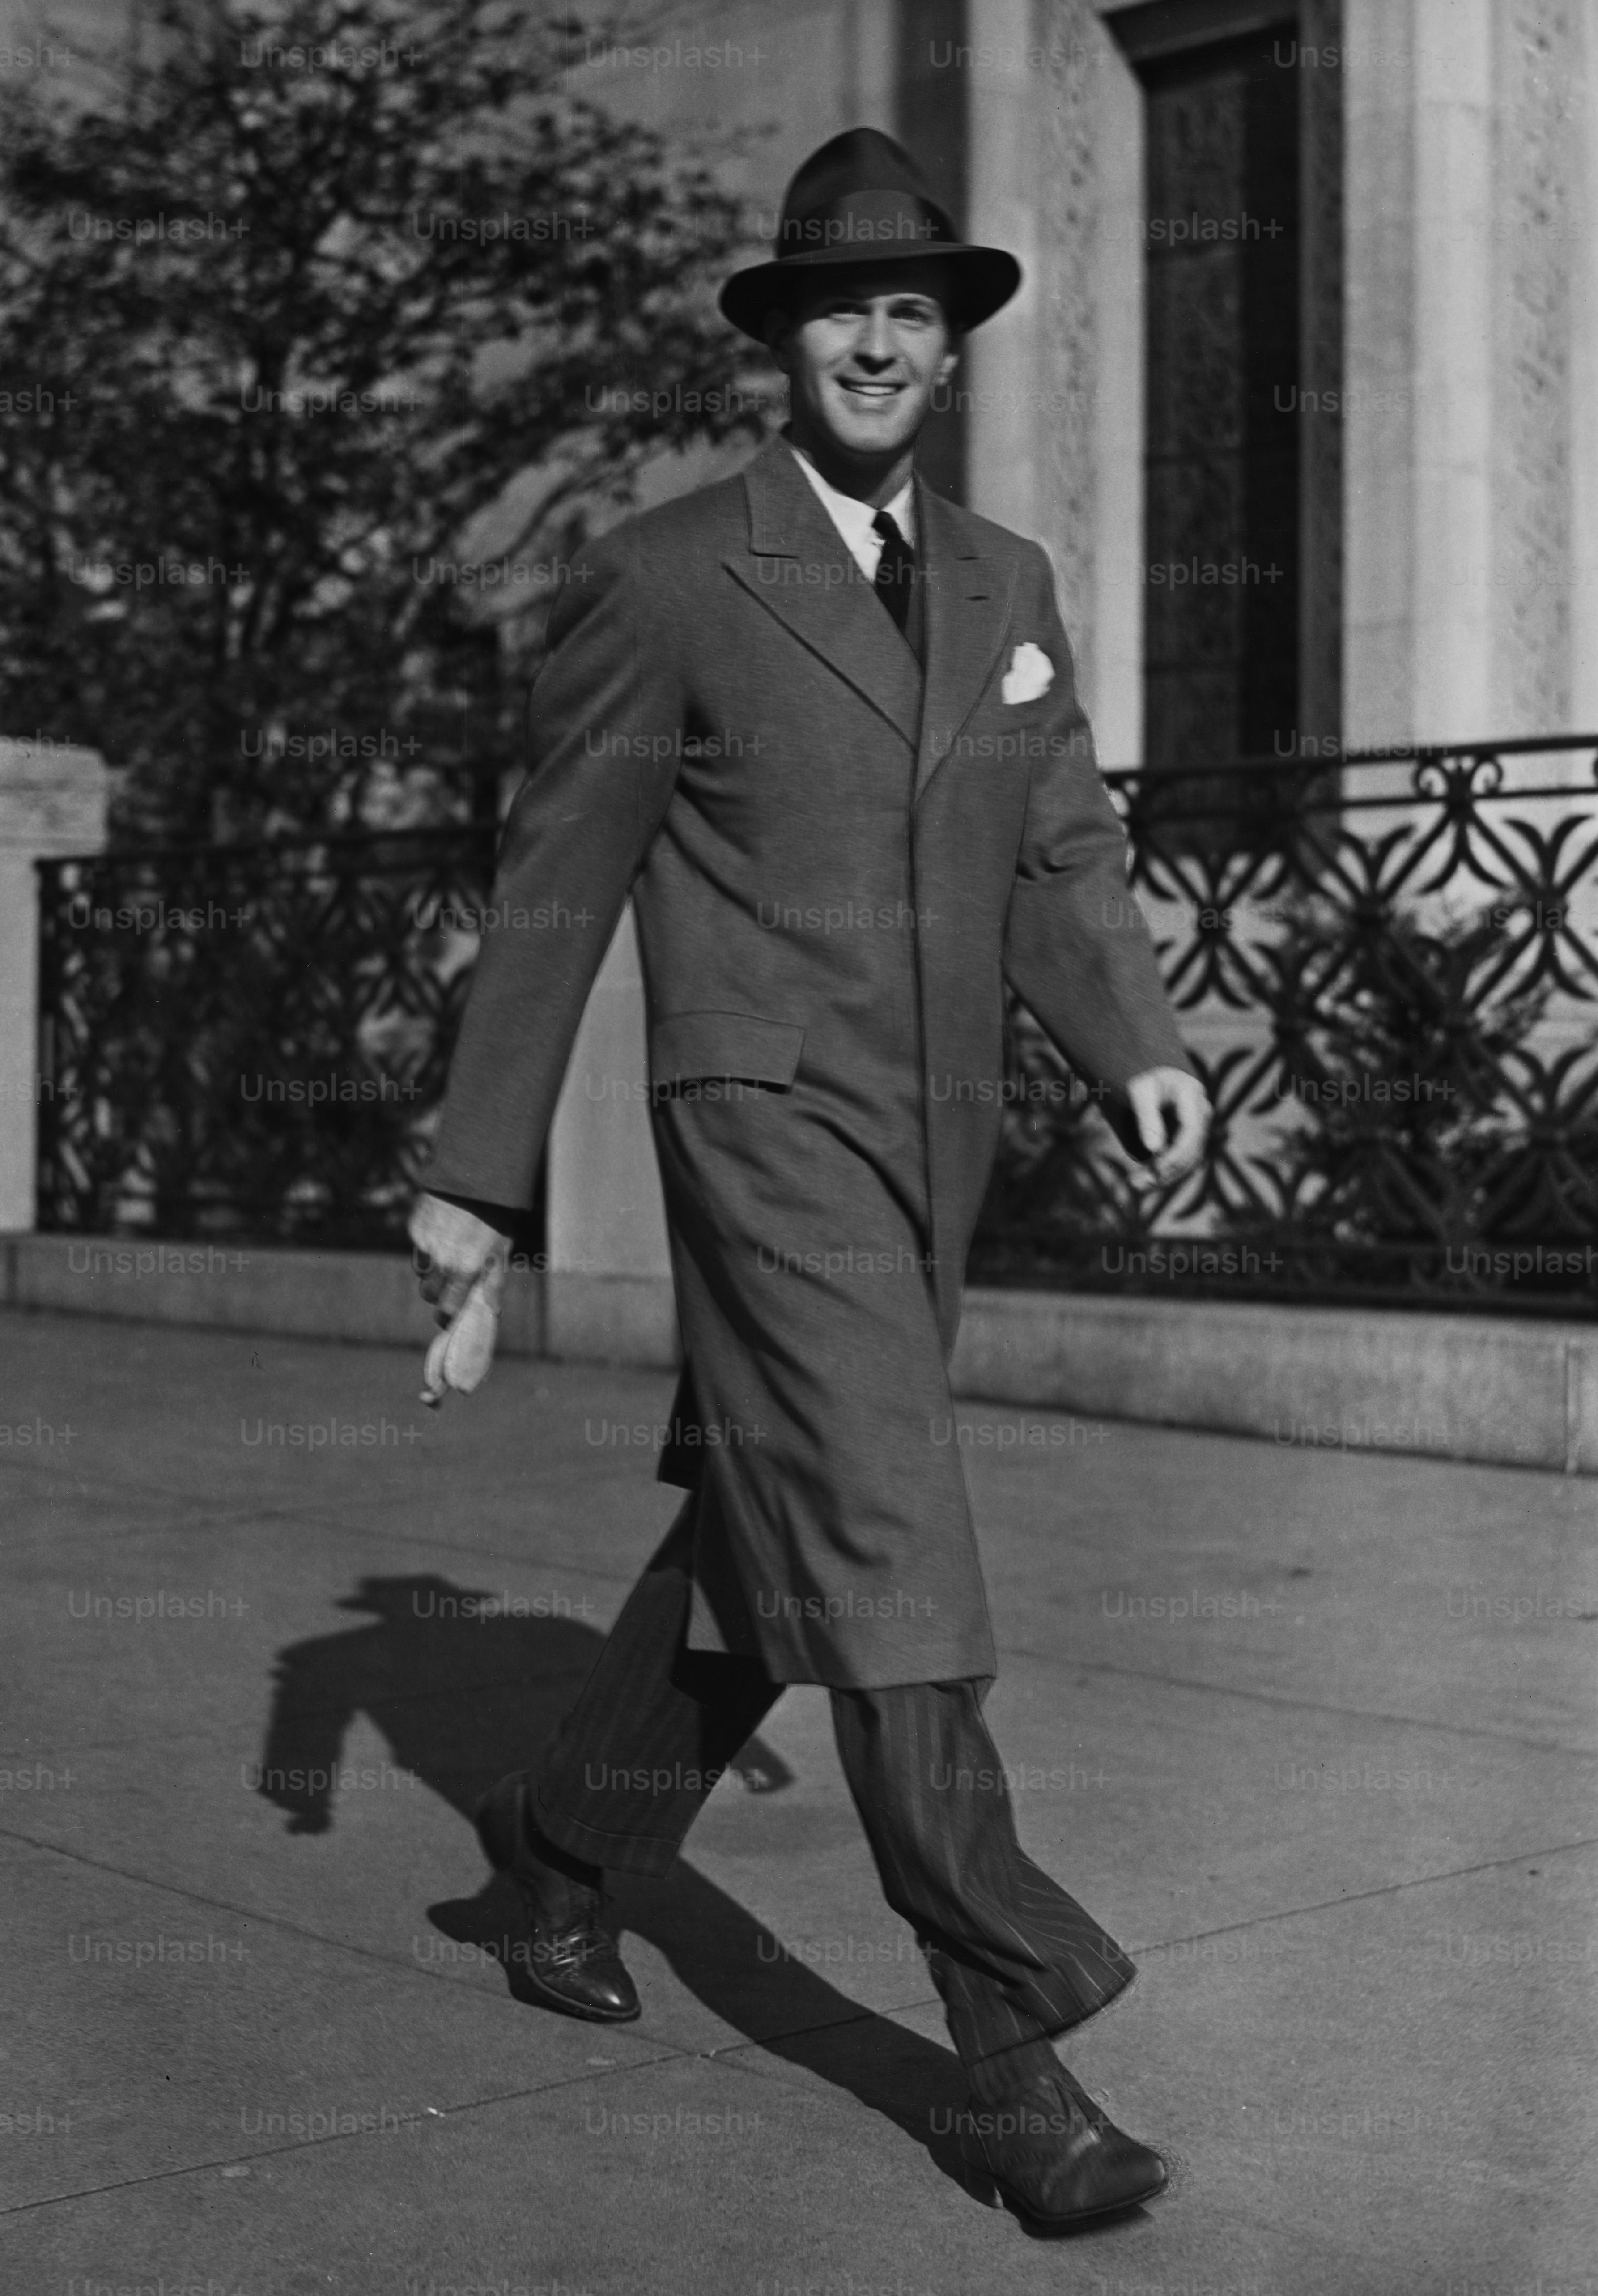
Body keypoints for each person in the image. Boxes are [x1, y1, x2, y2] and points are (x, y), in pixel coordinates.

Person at [408, 127, 1210, 2229]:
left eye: (910, 313)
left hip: (932, 1140)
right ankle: (1009, 2047)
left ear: (946, 350)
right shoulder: (670, 571)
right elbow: (559, 876)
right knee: (884, 1535)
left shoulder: (1006, 583)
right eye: (842, 309)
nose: (876, 342)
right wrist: (475, 1177)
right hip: (762, 1132)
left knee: (778, 1532)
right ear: (782, 340)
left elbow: (1059, 848)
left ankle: (562, 1853)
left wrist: (1137, 1044)